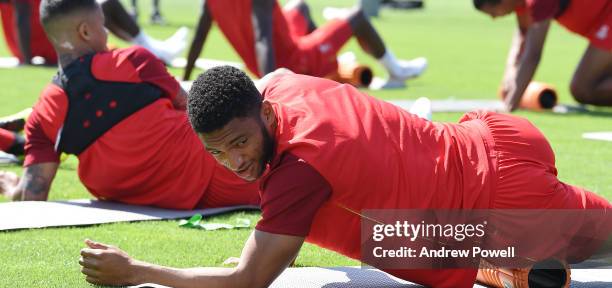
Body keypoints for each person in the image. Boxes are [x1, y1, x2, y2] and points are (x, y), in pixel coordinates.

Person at [77, 66, 611, 288]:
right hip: (488, 137)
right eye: (215, 153)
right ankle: (498, 266)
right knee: (380, 232)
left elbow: (247, 283)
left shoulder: (299, 170)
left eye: (239, 143)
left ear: (264, 114)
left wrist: (135, 271)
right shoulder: (278, 85)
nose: (233, 162)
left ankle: (496, 263)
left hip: (503, 202)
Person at [0, 0, 259, 210]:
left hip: (185, 197)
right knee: (276, 85)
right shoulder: (133, 61)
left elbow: (33, 197)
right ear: (86, 32)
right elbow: (200, 110)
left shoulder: (42, 115)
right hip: (223, 173)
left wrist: (12, 188)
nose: (107, 32)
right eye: (103, 25)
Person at [183, 0, 427, 89]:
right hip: (292, 64)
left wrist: (185, 76)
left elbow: (198, 39)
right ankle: (396, 71)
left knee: (299, 7)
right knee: (357, 17)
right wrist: (274, 87)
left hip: (265, 63)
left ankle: (330, 62)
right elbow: (263, 39)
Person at [473, 0, 612, 110]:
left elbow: (533, 54)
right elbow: (523, 35)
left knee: (583, 88)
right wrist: (510, 74)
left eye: (492, 13)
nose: (494, 18)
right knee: (584, 88)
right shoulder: (519, 3)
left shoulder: (537, 2)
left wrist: (510, 105)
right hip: (605, 19)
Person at [0, 0, 186, 65]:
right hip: (42, 41)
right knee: (100, 8)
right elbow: (21, 16)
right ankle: (153, 50)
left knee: (101, 7)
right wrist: (27, 60)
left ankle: (153, 48)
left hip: (45, 37)